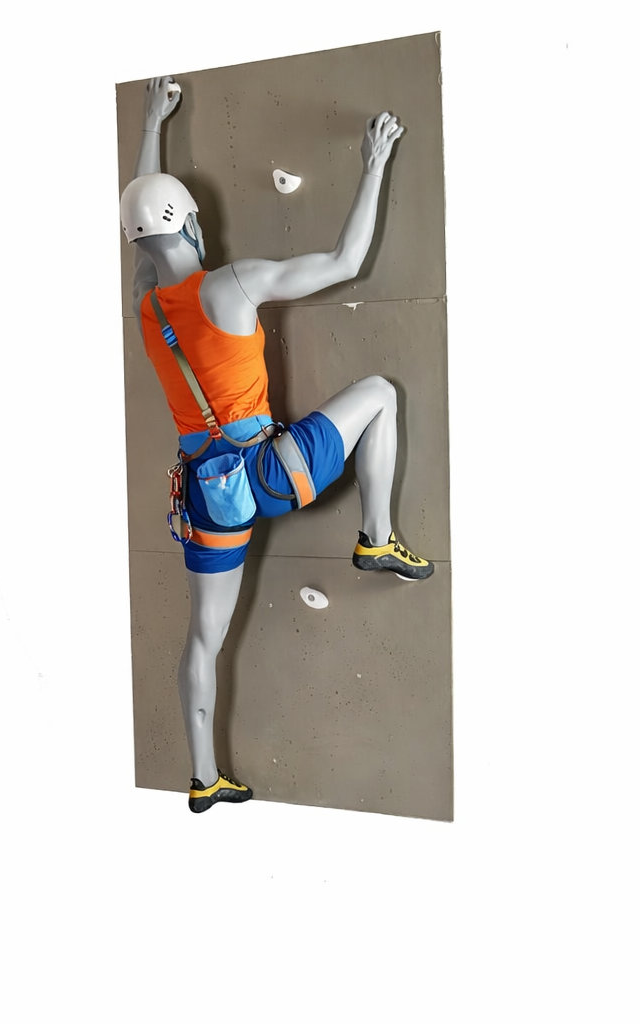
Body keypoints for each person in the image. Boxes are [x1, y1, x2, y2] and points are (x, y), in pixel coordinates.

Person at [121, 76, 434, 814]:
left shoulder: (144, 305)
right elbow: (345, 261)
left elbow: (141, 218)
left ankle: (205, 779)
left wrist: (151, 122)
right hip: (269, 469)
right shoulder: (233, 284)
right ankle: (377, 536)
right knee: (381, 393)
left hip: (208, 496)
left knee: (203, 639)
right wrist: (374, 163)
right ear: (192, 225)